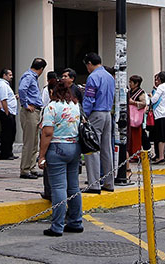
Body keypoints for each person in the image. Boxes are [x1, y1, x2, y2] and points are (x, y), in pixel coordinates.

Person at [38, 81, 83, 237]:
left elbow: (47, 133)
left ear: (52, 92)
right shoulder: (75, 105)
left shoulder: (51, 107)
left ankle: (57, 226)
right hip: (74, 147)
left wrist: (41, 155)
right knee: (73, 187)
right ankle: (76, 221)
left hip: (57, 148)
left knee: (58, 188)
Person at [83, 53, 115, 193]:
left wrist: (84, 115)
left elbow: (89, 99)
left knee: (92, 149)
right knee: (107, 149)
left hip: (96, 114)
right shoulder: (109, 76)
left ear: (89, 63)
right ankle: (109, 183)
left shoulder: (93, 77)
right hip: (108, 113)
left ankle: (94, 184)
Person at [18, 58, 47, 179]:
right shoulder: (29, 76)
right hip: (30, 111)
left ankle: (31, 167)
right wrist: (25, 104)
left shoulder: (31, 76)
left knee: (34, 141)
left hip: (34, 111)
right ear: (41, 69)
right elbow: (22, 89)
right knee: (29, 142)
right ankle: (25, 169)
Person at [150, 71, 165, 164]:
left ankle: (160, 156)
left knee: (160, 137)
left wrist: (151, 96)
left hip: (160, 113)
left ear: (160, 79)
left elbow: (154, 100)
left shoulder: (161, 87)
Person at [0, 69, 17, 160]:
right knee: (7, 133)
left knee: (11, 133)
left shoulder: (5, 85)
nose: (11, 77)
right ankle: (5, 153)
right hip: (6, 112)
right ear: (4, 75)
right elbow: (3, 99)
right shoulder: (2, 85)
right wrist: (7, 112)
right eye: (10, 75)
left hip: (9, 111)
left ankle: (9, 152)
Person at [127, 75, 150, 163]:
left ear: (136, 83)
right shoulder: (130, 91)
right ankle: (131, 153)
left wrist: (134, 103)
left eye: (131, 82)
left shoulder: (141, 93)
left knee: (136, 137)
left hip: (136, 118)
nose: (130, 84)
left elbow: (144, 103)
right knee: (130, 137)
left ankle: (136, 155)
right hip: (130, 116)